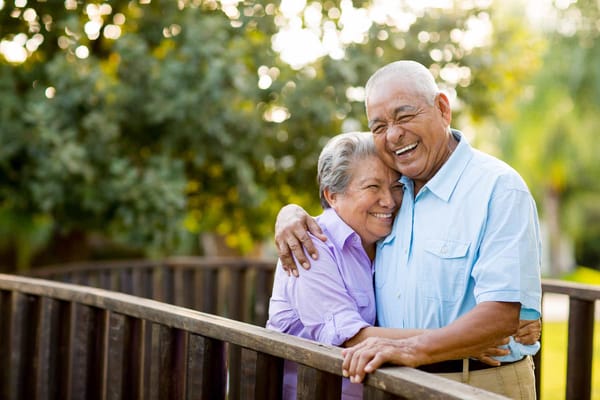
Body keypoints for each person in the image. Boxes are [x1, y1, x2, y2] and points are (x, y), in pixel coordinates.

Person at [273, 60, 542, 399]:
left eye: (404, 116)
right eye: (379, 125)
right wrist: (289, 214)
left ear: (442, 109)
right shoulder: (397, 193)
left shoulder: (498, 188)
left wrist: (423, 347)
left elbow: (502, 317)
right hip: (394, 384)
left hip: (476, 383)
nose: (394, 134)